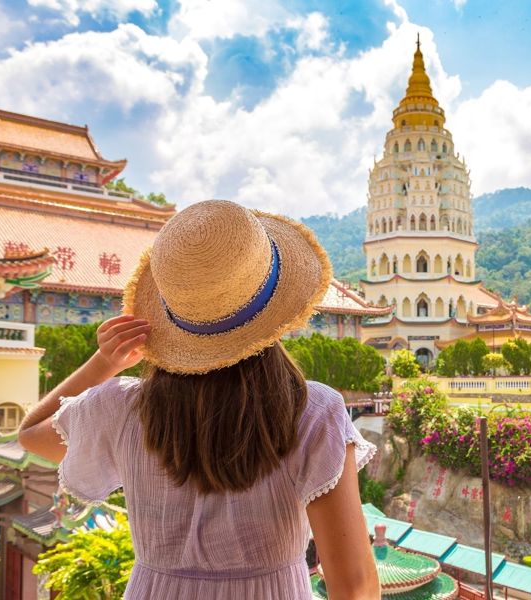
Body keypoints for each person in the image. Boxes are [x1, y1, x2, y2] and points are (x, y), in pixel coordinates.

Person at [20, 200, 381, 599]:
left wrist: (104, 362)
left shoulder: (120, 409)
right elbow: (354, 586)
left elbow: (31, 434)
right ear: (278, 310)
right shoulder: (311, 412)